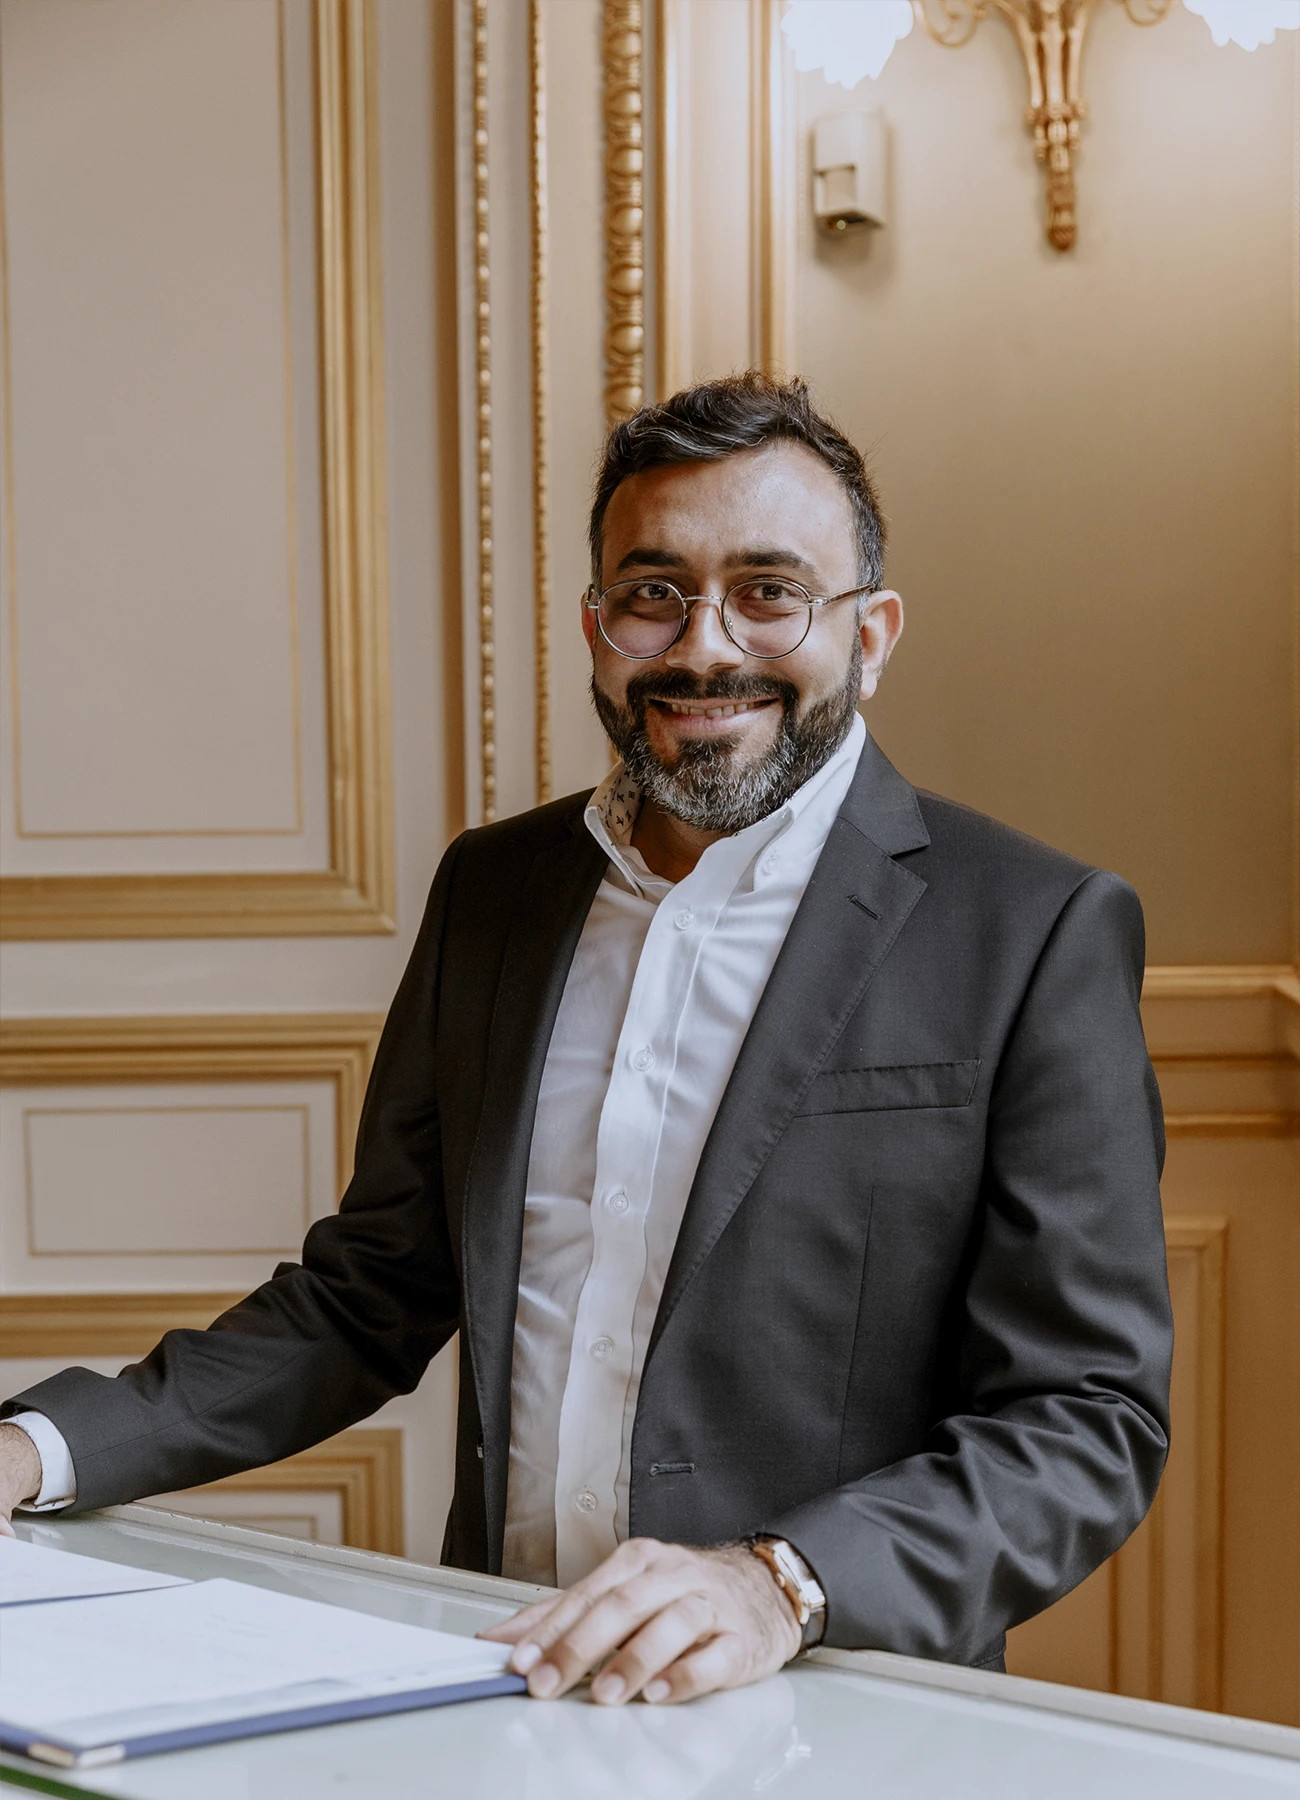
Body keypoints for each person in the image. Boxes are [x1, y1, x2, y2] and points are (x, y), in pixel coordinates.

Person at [0, 374, 1172, 1709]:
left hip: (834, 1712)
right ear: (596, 623)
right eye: (654, 591)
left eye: (770, 592)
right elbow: (370, 1291)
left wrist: (776, 1583)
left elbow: (1086, 1420)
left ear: (874, 630)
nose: (704, 645)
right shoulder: (496, 891)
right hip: (501, 1689)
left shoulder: (1030, 929)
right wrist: (40, 1447)